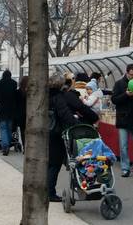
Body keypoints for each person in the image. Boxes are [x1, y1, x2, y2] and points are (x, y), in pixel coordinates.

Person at [48, 72, 79, 202]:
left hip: (46, 132)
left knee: (49, 164)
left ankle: (46, 189)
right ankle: (50, 192)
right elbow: (65, 114)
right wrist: (76, 122)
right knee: (54, 164)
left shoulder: (45, 94)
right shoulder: (58, 97)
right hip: (56, 133)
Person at [111, 64, 133, 177]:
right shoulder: (119, 83)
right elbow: (114, 99)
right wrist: (126, 95)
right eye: (131, 75)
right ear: (126, 73)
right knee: (124, 145)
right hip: (123, 119)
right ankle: (125, 168)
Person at [0, 70, 18, 156]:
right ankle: (8, 143)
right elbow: (15, 97)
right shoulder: (14, 83)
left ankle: (5, 146)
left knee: (3, 129)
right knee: (9, 128)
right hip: (11, 110)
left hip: (2, 110)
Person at [15, 76, 28, 150]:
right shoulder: (30, 93)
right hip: (29, 114)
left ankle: (24, 146)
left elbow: (15, 104)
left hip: (20, 114)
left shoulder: (17, 92)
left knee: (22, 131)